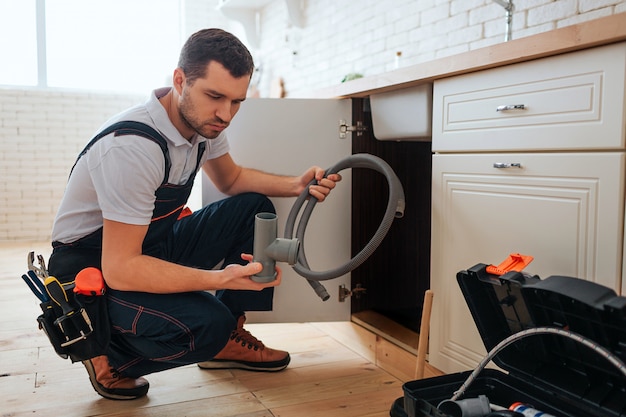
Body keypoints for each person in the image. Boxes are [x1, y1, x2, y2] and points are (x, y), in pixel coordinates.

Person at [47, 28, 341, 401]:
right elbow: (121, 267)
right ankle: (109, 353)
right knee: (207, 326)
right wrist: (219, 277)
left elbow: (231, 179)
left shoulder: (204, 124)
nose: (225, 114)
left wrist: (295, 185)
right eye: (215, 96)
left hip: (147, 245)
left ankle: (229, 339)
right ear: (179, 80)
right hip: (92, 270)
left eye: (237, 101)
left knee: (254, 209)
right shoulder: (133, 147)